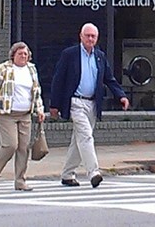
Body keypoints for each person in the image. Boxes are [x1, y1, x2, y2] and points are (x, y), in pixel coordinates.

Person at [50, 22, 129, 188]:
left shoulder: (99, 56)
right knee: (86, 136)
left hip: (92, 103)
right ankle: (93, 172)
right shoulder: (69, 54)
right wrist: (54, 105)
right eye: (88, 35)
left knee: (78, 141)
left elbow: (109, 78)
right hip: (75, 101)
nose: (90, 39)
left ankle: (67, 174)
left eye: (93, 36)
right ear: (81, 36)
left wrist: (120, 95)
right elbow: (58, 80)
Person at [0, 41, 46, 191]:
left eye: (25, 54)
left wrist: (40, 110)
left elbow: (36, 91)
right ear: (13, 55)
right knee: (11, 145)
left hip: (25, 114)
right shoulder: (4, 68)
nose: (23, 56)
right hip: (6, 114)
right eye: (20, 54)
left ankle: (20, 181)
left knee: (23, 148)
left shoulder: (31, 69)